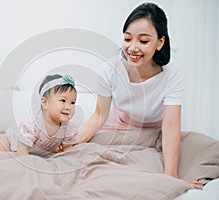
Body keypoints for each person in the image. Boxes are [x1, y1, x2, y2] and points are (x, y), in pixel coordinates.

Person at [78, 2, 203, 189]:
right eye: (128, 39)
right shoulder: (109, 70)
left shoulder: (172, 76)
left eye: (143, 41)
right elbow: (99, 115)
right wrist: (75, 143)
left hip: (154, 132)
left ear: (160, 42)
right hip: (119, 126)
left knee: (203, 147)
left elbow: (170, 126)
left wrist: (171, 176)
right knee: (89, 155)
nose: (133, 48)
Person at [0, 74, 79, 156]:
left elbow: (67, 149)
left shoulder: (69, 128)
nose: (69, 107)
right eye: (63, 100)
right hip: (13, 141)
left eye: (72, 102)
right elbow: (23, 149)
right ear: (45, 103)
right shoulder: (31, 125)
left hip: (40, 148)